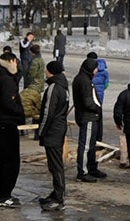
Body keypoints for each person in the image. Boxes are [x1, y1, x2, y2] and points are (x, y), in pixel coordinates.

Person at [0, 49, 26, 208]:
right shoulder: (5, 80)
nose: (17, 65)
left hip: (1, 121)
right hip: (7, 123)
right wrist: (21, 112)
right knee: (10, 161)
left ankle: (4, 194)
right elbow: (8, 103)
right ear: (10, 62)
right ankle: (5, 195)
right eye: (15, 62)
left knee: (4, 160)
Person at [36, 60, 70, 210]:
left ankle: (59, 197)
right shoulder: (63, 86)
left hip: (53, 130)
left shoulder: (54, 88)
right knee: (54, 164)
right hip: (59, 128)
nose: (45, 72)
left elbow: (47, 113)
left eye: (46, 70)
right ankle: (56, 193)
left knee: (55, 165)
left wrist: (41, 131)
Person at [71, 52, 104, 183]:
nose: (96, 71)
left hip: (90, 116)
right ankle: (83, 171)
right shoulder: (83, 81)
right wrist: (97, 108)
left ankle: (91, 167)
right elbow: (87, 101)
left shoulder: (84, 78)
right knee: (85, 146)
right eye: (95, 69)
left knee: (91, 144)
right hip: (88, 116)